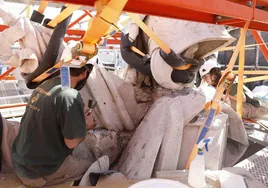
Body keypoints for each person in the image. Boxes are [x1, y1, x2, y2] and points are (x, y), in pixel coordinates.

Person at [11, 63, 97, 187]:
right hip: (37, 172)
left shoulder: (46, 84)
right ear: (84, 73)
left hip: (21, 161)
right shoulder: (70, 95)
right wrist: (86, 127)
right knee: (93, 167)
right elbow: (71, 143)